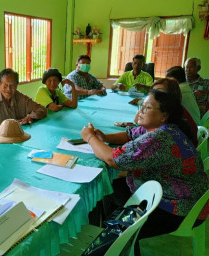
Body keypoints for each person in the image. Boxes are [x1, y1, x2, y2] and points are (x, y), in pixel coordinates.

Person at [81, 89, 208, 256]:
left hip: (179, 208)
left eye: (146, 108)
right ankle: (118, 237)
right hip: (175, 193)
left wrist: (90, 138)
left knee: (116, 226)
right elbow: (129, 134)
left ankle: (120, 242)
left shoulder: (161, 138)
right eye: (141, 106)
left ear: (163, 115)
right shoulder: (164, 127)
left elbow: (113, 159)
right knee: (110, 187)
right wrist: (105, 137)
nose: (140, 111)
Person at [0, 68, 47, 140]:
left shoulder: (21, 98)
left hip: (17, 138)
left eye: (12, 85)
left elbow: (42, 109)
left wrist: (31, 116)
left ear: (17, 85)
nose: (9, 89)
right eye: (5, 85)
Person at [149, 78, 198, 147]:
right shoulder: (171, 108)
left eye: (159, 93)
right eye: (152, 92)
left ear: (171, 96)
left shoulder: (172, 114)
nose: (153, 96)